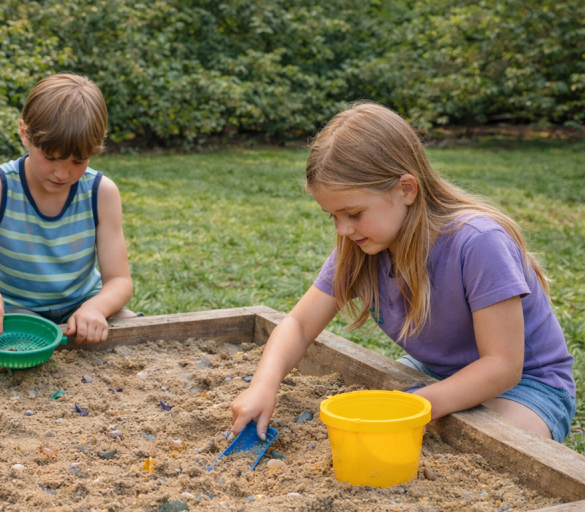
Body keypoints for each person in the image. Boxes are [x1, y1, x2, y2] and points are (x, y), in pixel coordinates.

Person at [230, 102, 575, 444]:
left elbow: (502, 365)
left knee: (484, 449)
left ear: (406, 189)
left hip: (527, 387)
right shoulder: (360, 249)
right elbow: (300, 324)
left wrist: (415, 405)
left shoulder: (479, 242)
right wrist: (263, 385)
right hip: (431, 373)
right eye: (332, 215)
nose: (343, 228)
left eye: (353, 212)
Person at [0, 73, 135, 355]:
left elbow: (119, 280)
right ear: (24, 133)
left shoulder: (101, 193)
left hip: (81, 309)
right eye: (51, 157)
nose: (63, 173)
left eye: (78, 160)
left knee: (142, 342)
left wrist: (96, 308)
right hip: (9, 312)